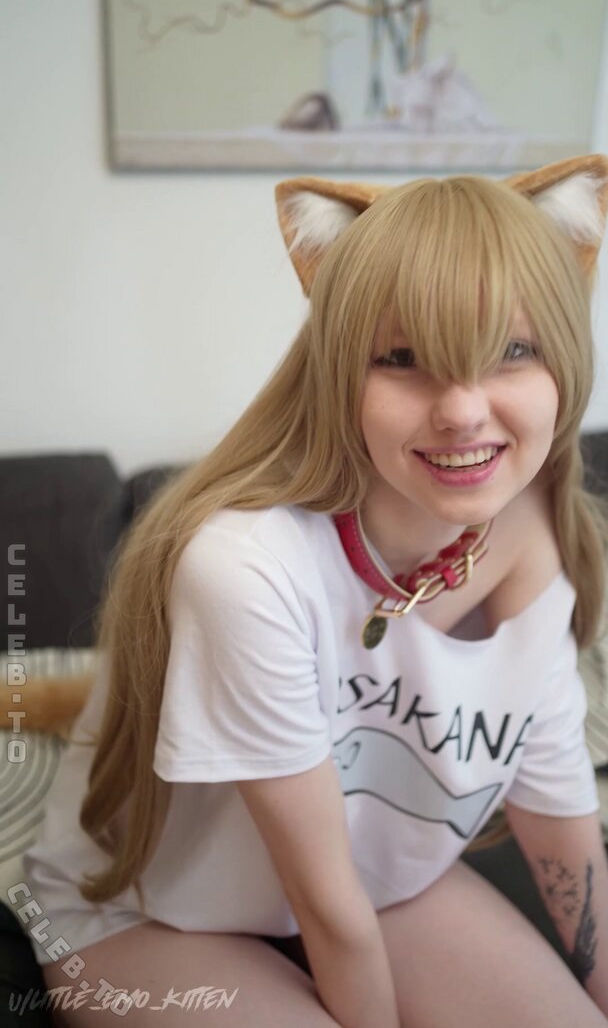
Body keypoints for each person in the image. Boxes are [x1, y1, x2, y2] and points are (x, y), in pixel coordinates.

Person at [19, 154, 608, 1027]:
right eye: (402, 358)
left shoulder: (529, 533)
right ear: (339, 372)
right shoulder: (244, 566)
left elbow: (558, 812)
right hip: (145, 910)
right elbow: (327, 905)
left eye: (513, 351)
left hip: (384, 879)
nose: (462, 410)